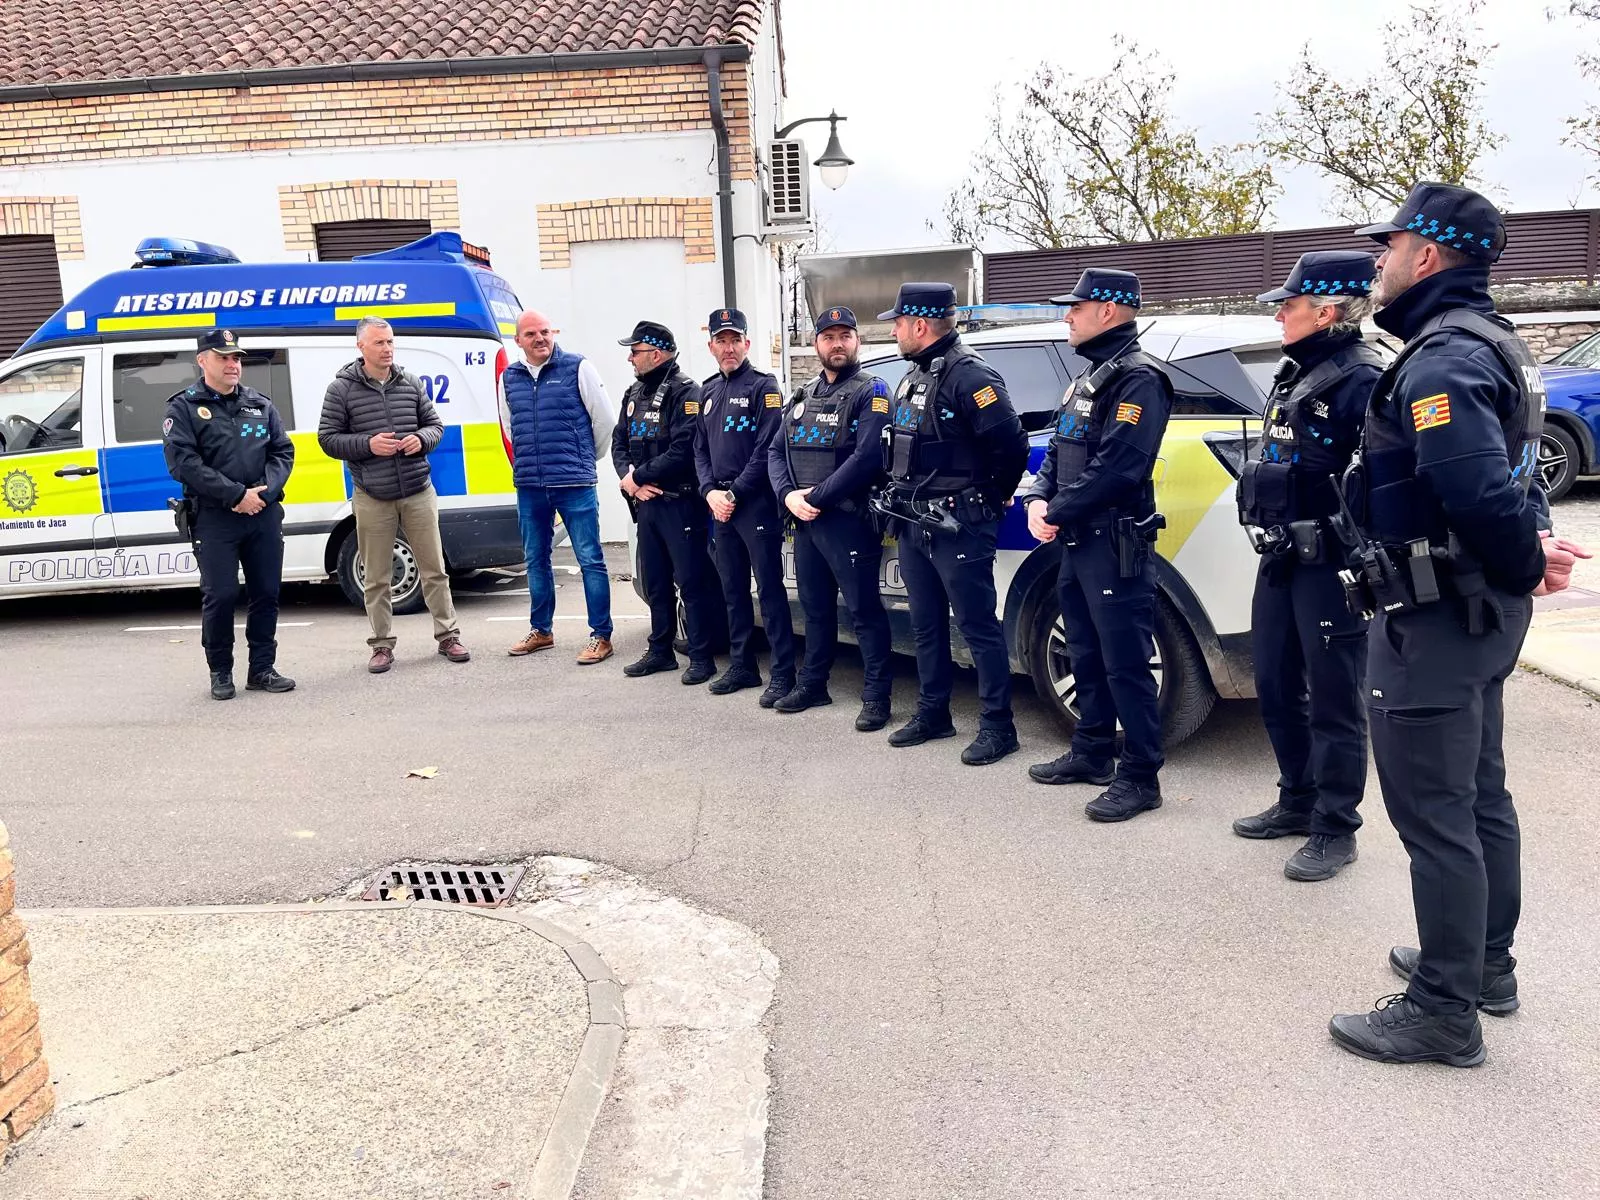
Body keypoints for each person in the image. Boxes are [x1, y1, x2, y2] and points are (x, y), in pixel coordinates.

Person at [1326, 182, 1573, 1066]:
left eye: (1387, 246)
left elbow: (1474, 486)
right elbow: (1514, 476)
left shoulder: (1440, 359)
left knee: (1437, 816)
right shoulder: (1489, 342)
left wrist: (1519, 558)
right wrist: (1529, 546)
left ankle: (1442, 1010)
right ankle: (1481, 966)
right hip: (1470, 615)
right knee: (1477, 795)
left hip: (1435, 621)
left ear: (1427, 255)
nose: (1378, 262)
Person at [1231, 253, 1383, 880]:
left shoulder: (1364, 377)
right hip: (1284, 556)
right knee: (1272, 682)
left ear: (1327, 312)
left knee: (1333, 701)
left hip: (1331, 566)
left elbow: (1377, 484)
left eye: (1287, 305)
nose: (1278, 313)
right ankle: (1297, 799)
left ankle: (1335, 826)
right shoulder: (1297, 371)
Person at [1022, 270, 1173, 822]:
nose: (1068, 316)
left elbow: (1120, 468)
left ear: (1108, 312)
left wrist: (1055, 511)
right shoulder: (1087, 378)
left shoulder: (1138, 379)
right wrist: (1040, 498)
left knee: (1125, 664)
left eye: (1076, 308)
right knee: (1083, 651)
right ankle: (1091, 752)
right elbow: (1058, 453)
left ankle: (1139, 777)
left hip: (1114, 543)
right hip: (1079, 544)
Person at [874, 282, 1029, 766]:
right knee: (925, 625)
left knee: (977, 627)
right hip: (915, 522)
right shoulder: (914, 374)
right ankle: (933, 713)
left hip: (960, 523)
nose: (894, 331)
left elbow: (1012, 448)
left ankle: (998, 727)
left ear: (919, 325)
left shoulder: (970, 375)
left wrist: (989, 498)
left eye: (897, 323)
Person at [317, 317, 469, 673]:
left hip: (417, 489)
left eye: (389, 342)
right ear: (361, 347)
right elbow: (327, 439)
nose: (387, 349)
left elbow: (435, 425)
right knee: (376, 577)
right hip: (372, 493)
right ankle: (381, 645)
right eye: (379, 343)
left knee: (434, 569)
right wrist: (368, 445)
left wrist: (423, 439)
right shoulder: (340, 390)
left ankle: (448, 636)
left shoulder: (410, 382)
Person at [768, 305, 894, 730]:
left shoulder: (871, 390)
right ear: (816, 344)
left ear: (858, 340)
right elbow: (774, 451)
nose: (837, 344)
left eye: (845, 335)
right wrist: (788, 496)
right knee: (815, 608)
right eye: (828, 336)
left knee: (863, 611)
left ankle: (877, 697)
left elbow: (867, 458)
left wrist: (815, 498)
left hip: (847, 519)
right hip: (805, 520)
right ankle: (814, 684)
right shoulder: (803, 394)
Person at [162, 328, 296, 700]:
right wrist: (236, 495)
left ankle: (262, 669)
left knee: (266, 593)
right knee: (220, 595)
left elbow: (282, 452)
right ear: (203, 361)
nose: (233, 364)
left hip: (262, 514)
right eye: (224, 357)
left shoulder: (260, 404)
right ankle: (220, 671)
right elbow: (184, 464)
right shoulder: (183, 408)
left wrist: (262, 496)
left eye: (236, 357)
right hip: (215, 517)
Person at [499, 309, 619, 665]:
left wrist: (584, 458)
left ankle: (601, 635)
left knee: (590, 559)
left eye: (545, 332)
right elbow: (509, 428)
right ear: (518, 340)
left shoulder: (578, 367)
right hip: (531, 485)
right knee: (536, 559)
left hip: (574, 482)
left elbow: (605, 420)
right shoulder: (510, 377)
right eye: (532, 334)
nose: (540, 339)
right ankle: (542, 630)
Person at [694, 308, 798, 706]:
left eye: (735, 339)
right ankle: (742, 666)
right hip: (720, 506)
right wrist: (709, 492)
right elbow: (699, 450)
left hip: (753, 504)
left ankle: (784, 673)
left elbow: (767, 450)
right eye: (721, 340)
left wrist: (734, 493)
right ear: (711, 347)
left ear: (747, 344)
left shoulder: (763, 386)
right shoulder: (708, 391)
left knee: (769, 591)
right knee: (733, 590)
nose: (729, 347)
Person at [610, 320, 721, 683]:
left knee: (692, 582)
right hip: (648, 505)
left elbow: (684, 450)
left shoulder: (686, 392)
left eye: (635, 351)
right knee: (655, 582)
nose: (630, 358)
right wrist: (630, 481)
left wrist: (637, 477)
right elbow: (619, 442)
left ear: (656, 353)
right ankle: (660, 651)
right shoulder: (634, 394)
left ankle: (702, 657)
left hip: (681, 503)